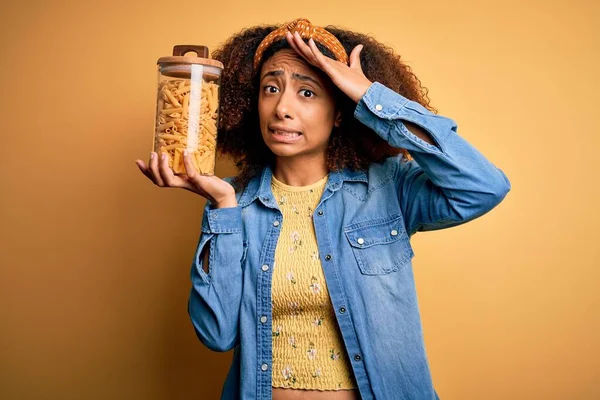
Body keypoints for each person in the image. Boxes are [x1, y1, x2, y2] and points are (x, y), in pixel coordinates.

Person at [135, 18, 511, 400]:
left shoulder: (387, 188)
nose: (282, 108)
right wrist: (223, 208)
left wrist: (370, 96)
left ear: (340, 112)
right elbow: (216, 334)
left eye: (308, 93)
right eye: (271, 88)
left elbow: (483, 187)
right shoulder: (234, 203)